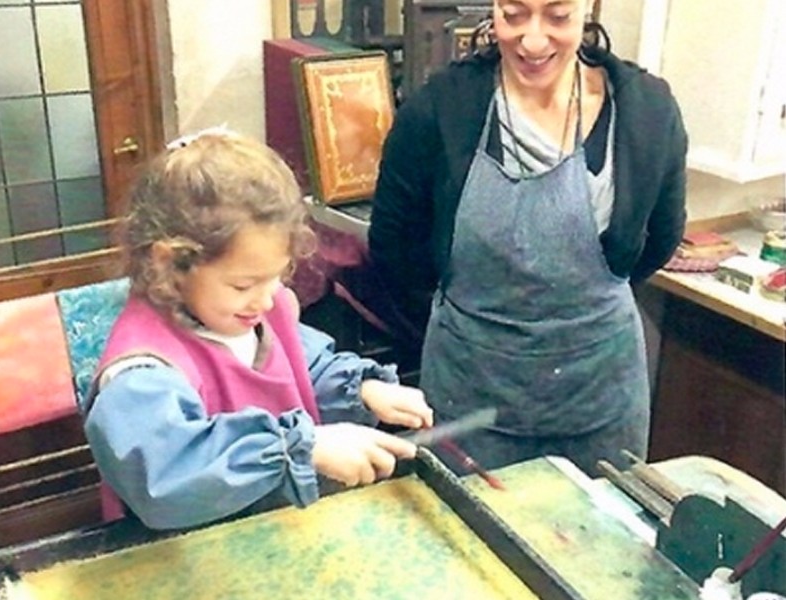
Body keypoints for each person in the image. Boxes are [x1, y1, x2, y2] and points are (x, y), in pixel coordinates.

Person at [368, 0, 687, 477]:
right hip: (468, 396)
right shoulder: (439, 109)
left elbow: (659, 239)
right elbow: (394, 248)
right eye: (514, 14)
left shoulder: (647, 110)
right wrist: (474, 325)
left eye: (557, 16)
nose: (533, 41)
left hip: (600, 398)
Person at [83, 128, 433, 530]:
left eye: (277, 276)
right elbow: (165, 478)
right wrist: (300, 449)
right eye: (243, 285)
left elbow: (305, 367)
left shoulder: (260, 309)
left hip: (275, 524)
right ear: (171, 264)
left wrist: (362, 390)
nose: (265, 300)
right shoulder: (143, 372)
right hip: (192, 547)